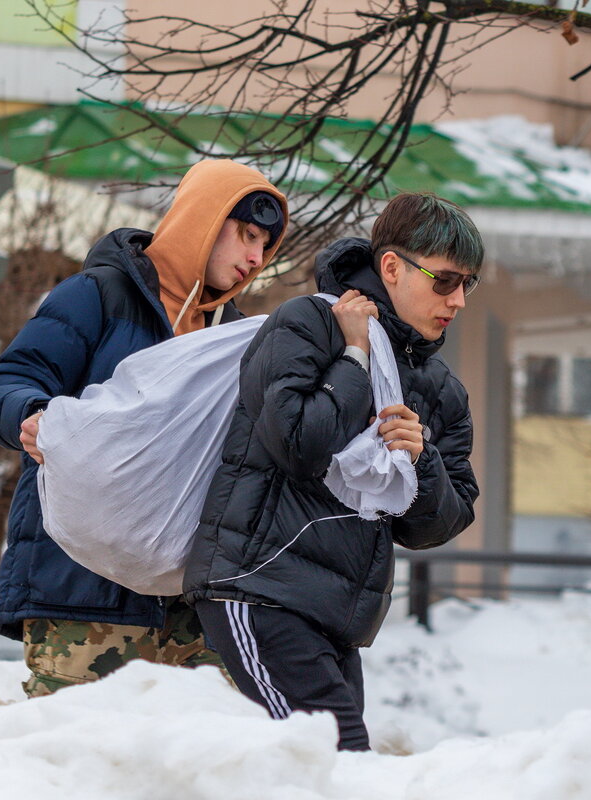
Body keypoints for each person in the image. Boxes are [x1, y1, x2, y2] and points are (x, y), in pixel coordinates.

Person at [183, 192, 482, 750]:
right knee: (338, 760)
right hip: (259, 589)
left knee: (315, 774)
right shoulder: (308, 324)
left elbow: (436, 525)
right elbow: (297, 443)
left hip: (337, 619)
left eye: (469, 284)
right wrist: (355, 358)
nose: (458, 300)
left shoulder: (442, 391)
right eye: (445, 280)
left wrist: (423, 459)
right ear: (392, 267)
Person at [0, 159, 289, 697]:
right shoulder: (96, 296)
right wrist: (30, 414)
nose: (255, 259)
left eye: (266, 247)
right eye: (246, 235)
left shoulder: (234, 339)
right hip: (79, 593)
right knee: (71, 767)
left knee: (192, 770)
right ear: (203, 219)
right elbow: (7, 382)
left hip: (193, 605)